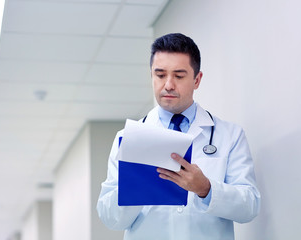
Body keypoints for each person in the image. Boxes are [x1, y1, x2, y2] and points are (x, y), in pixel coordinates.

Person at [97, 33, 261, 240]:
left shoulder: (229, 135)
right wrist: (137, 188)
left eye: (179, 76)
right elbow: (109, 218)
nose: (168, 85)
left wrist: (206, 189)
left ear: (197, 80)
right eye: (160, 75)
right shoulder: (128, 138)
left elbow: (250, 206)